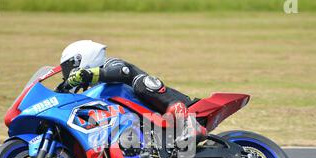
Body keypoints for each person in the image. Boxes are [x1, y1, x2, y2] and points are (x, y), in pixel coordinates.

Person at [56, 40, 207, 143]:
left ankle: (189, 124)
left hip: (171, 106)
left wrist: (90, 74)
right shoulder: (93, 90)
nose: (68, 73)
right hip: (142, 126)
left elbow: (123, 72)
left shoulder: (109, 64)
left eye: (69, 68)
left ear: (81, 59)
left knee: (142, 83)